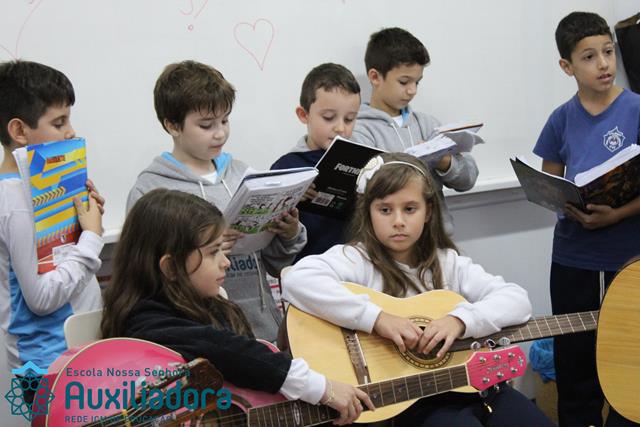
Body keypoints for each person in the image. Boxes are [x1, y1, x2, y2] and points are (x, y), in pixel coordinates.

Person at [282, 153, 553, 426]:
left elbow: (517, 300)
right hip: (413, 403)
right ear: (367, 213)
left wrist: (461, 320)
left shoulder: (448, 263)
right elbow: (298, 279)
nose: (398, 221)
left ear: (428, 212)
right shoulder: (356, 259)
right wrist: (376, 318)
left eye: (410, 209)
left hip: (475, 385)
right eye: (385, 210)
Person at [101, 189, 374, 425]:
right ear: (171, 267)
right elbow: (225, 349)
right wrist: (320, 388)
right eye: (213, 252)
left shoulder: (213, 305)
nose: (226, 262)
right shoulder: (143, 319)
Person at [126, 60, 307, 343]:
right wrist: (207, 244)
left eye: (224, 121)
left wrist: (287, 232)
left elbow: (274, 263)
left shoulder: (243, 175)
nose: (220, 133)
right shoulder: (151, 190)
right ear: (172, 125)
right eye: (206, 125)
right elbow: (146, 277)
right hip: (200, 334)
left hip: (262, 326)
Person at [533, 11, 640, 427]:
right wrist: (566, 203)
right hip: (573, 255)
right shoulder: (560, 118)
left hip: (628, 256)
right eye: (589, 57)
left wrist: (617, 214)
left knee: (628, 351)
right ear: (567, 66)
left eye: (608, 52)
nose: (604, 64)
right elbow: (549, 182)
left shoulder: (636, 109)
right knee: (574, 351)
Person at [0, 60, 105, 375]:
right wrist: (91, 237)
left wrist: (85, 222)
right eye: (59, 123)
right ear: (19, 131)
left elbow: (58, 260)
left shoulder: (39, 187)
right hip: (50, 361)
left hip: (77, 347)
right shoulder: (14, 201)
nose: (71, 131)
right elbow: (41, 298)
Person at [351, 27, 478, 236]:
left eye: (417, 82)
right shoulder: (359, 131)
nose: (412, 90)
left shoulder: (428, 125)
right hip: (388, 243)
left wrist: (444, 161)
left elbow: (468, 179)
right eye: (404, 82)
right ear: (375, 77)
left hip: (437, 240)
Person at [271, 63, 361, 260]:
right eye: (329, 118)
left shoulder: (363, 160)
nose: (340, 128)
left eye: (349, 119)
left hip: (354, 264)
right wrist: (293, 197)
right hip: (306, 265)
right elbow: (272, 235)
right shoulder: (286, 167)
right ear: (304, 115)